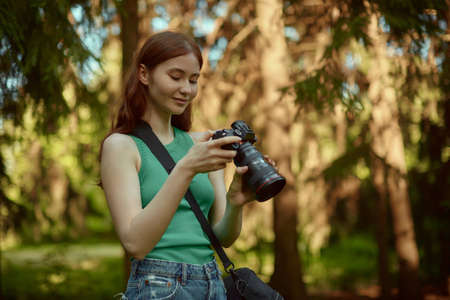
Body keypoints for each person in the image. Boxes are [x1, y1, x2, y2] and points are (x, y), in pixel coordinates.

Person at [100, 31, 275, 300]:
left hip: (212, 282)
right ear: (144, 74)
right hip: (159, 286)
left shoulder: (200, 145)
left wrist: (236, 201)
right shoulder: (121, 146)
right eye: (175, 76)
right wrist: (186, 168)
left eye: (194, 80)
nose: (186, 89)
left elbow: (222, 236)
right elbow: (135, 243)